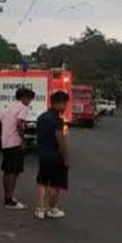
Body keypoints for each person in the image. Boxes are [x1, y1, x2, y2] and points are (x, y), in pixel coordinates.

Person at [35, 91, 71, 220]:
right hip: (55, 155)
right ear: (58, 103)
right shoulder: (57, 121)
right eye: (65, 103)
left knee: (42, 181)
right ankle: (52, 208)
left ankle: (40, 209)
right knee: (56, 183)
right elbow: (60, 141)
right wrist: (66, 157)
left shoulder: (41, 117)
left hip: (42, 154)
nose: (66, 106)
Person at [0, 88, 35, 209]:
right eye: (29, 99)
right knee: (13, 172)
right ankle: (9, 201)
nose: (29, 102)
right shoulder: (23, 108)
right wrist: (23, 140)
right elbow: (20, 124)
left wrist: (2, 137)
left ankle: (7, 197)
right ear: (24, 97)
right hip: (15, 143)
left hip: (6, 144)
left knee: (7, 171)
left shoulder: (8, 107)